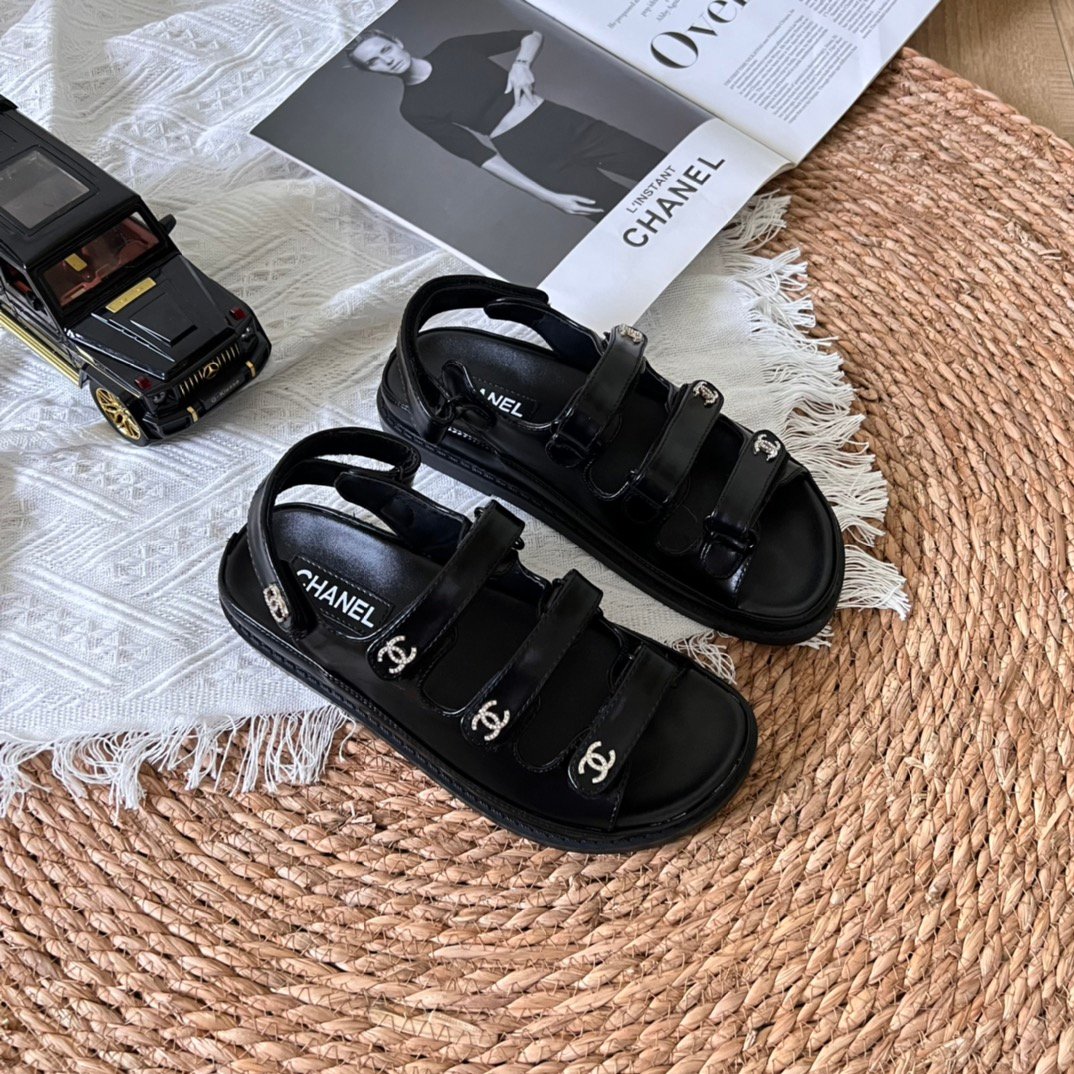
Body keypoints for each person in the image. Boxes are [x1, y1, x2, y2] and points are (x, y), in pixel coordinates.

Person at [347, 27, 667, 218]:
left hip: (566, 125)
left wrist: (521, 64)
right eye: (373, 61)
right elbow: (479, 156)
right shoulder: (413, 108)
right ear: (370, 71)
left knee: (663, 170)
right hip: (532, 157)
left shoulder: (454, 49)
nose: (387, 60)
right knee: (620, 218)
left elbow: (530, 34)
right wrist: (548, 196)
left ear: (396, 41)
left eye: (385, 49)